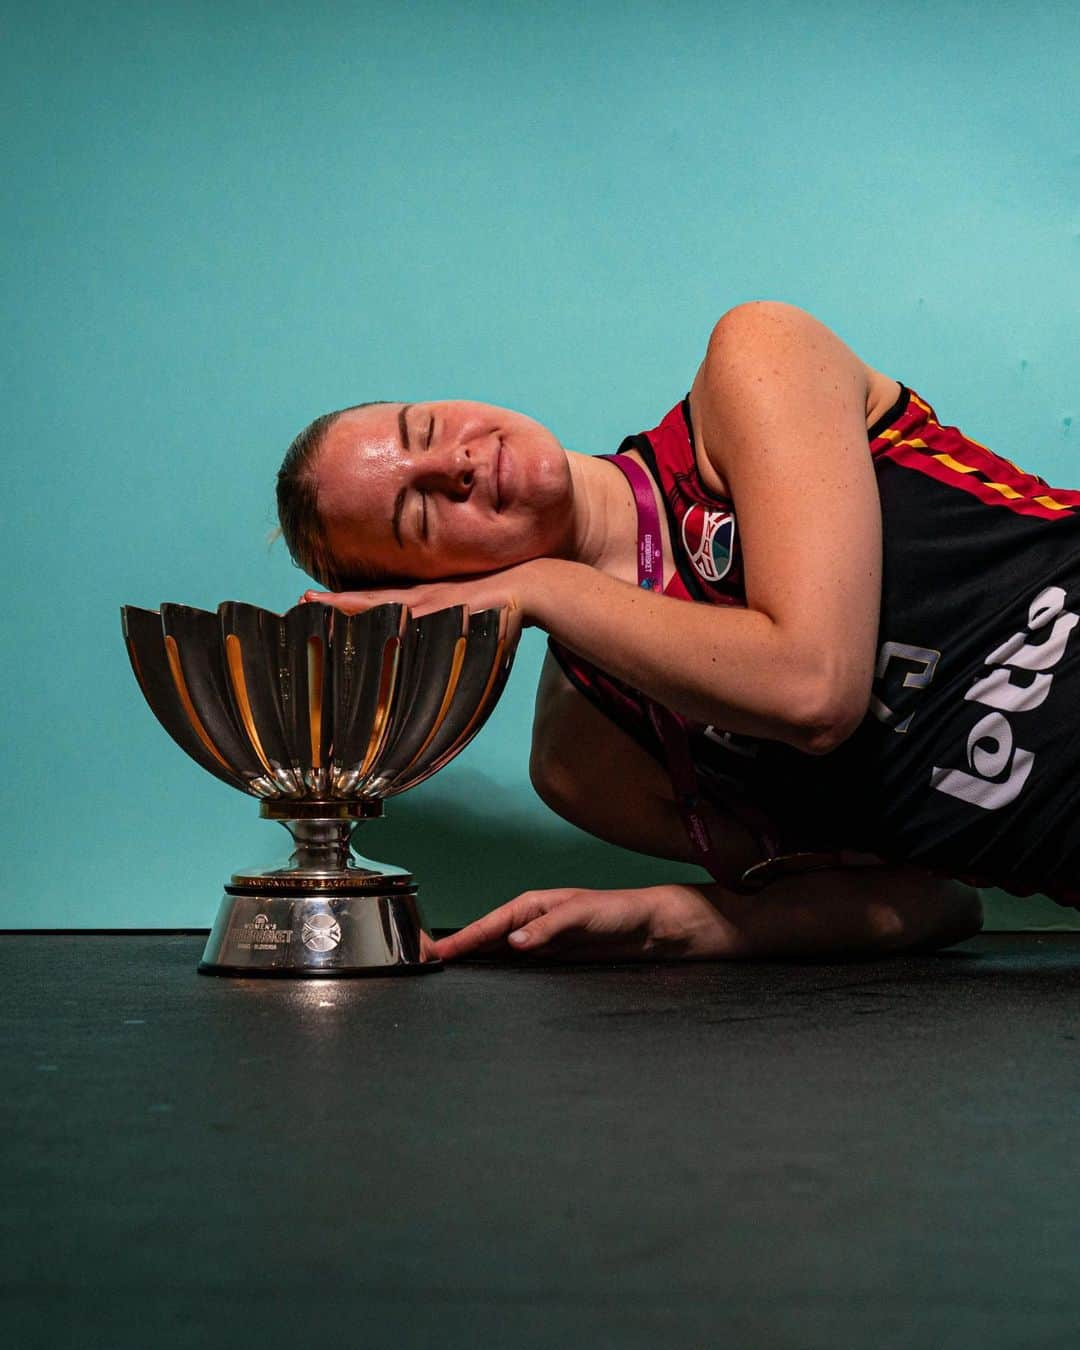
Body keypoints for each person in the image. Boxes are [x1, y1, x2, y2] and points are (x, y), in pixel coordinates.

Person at [275, 300, 1080, 963]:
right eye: (418, 515)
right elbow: (933, 905)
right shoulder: (585, 759)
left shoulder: (754, 362)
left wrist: (545, 585)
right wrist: (677, 919)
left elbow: (813, 688)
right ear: (438, 594)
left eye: (425, 426)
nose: (453, 463)